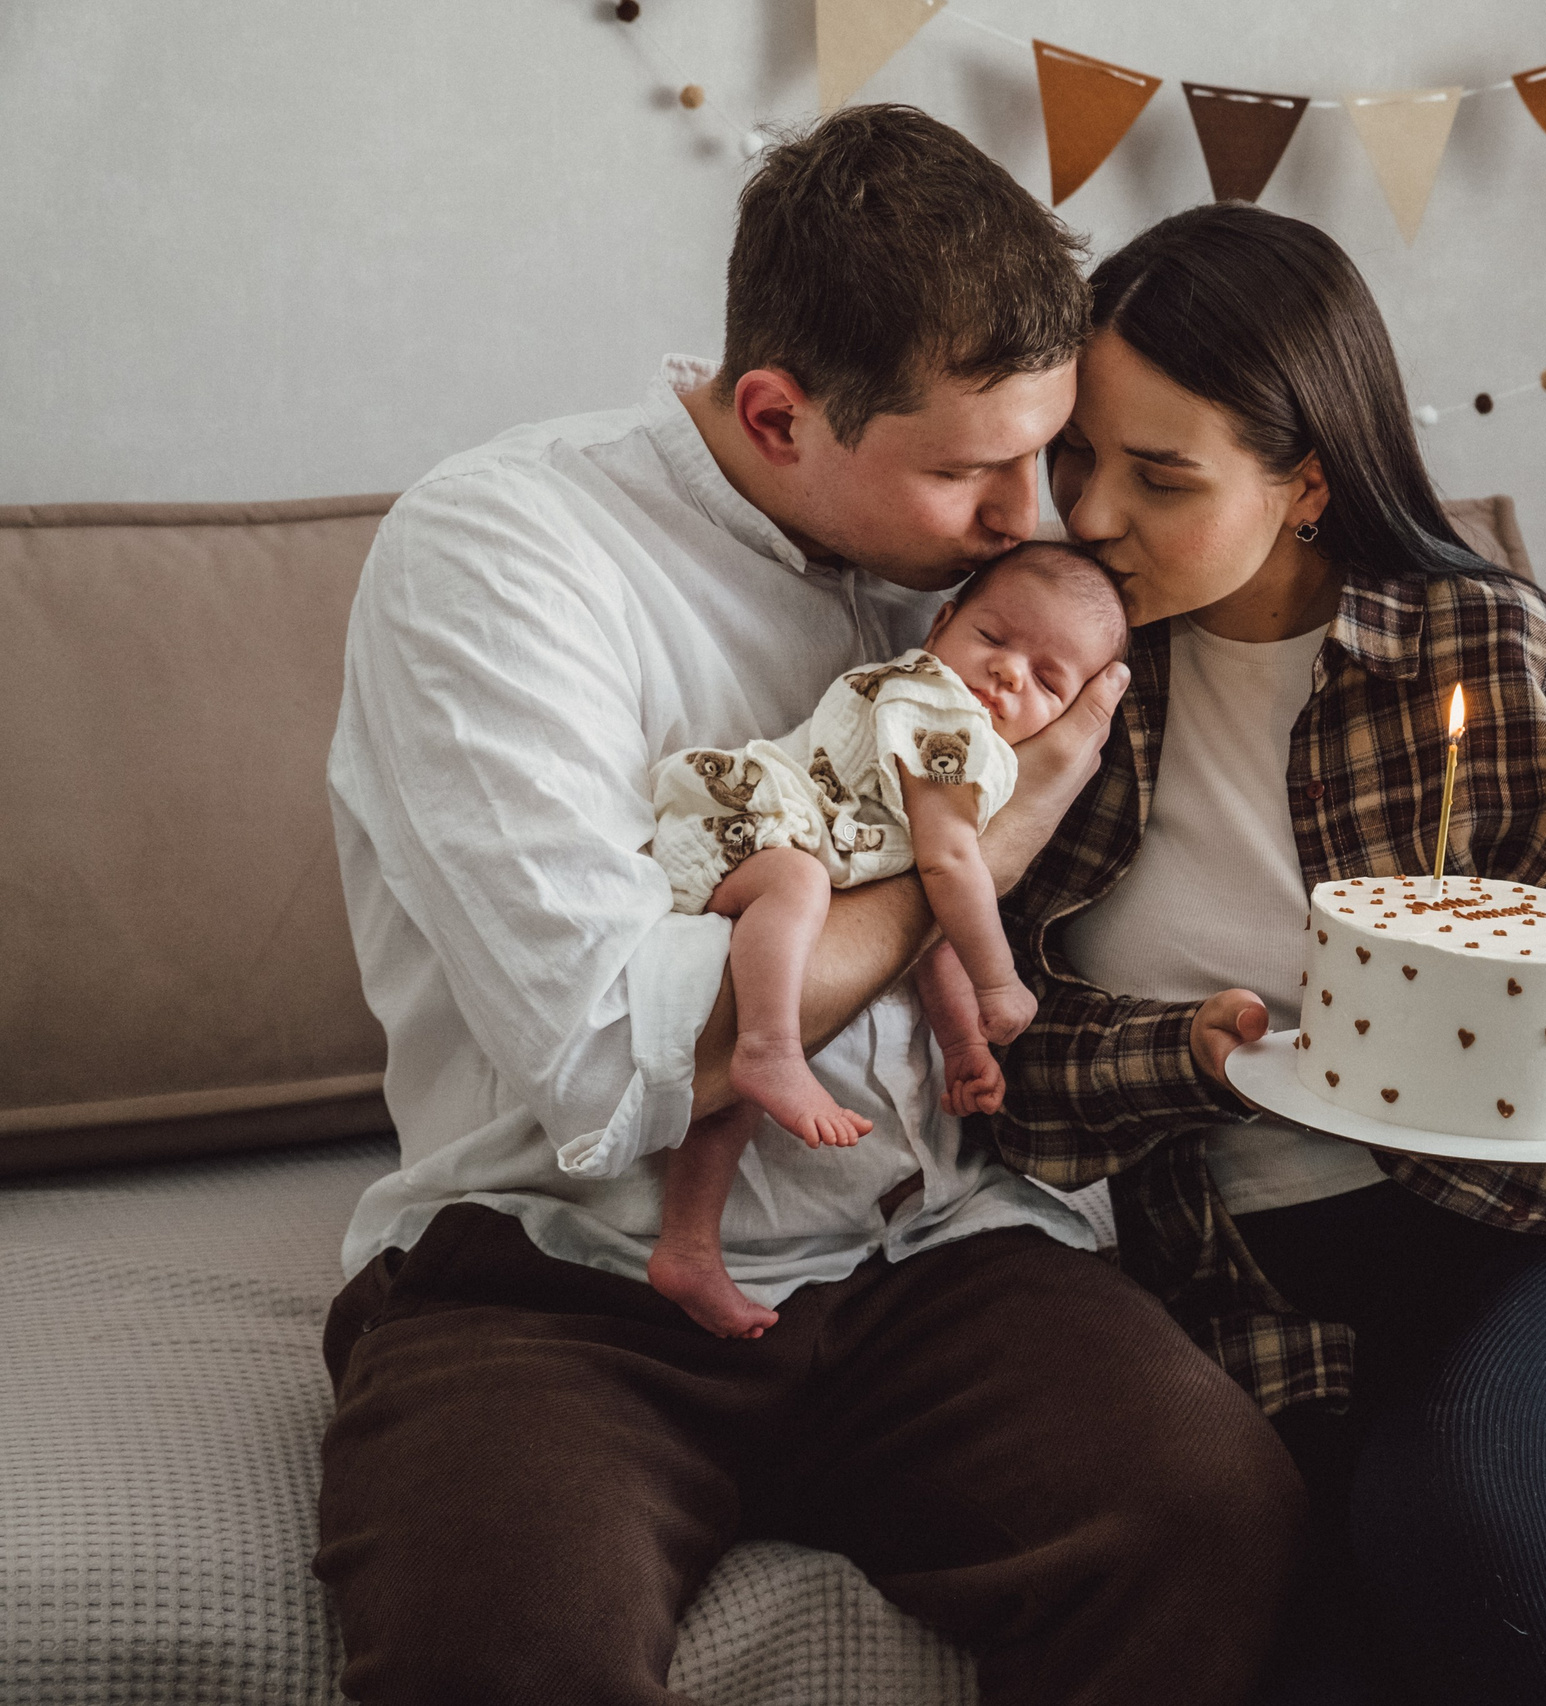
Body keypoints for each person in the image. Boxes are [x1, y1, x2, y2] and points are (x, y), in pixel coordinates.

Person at [315, 111, 1300, 1706]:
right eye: (975, 470)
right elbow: (615, 1054)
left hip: (928, 1251)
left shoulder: (1001, 579)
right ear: (776, 413)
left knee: (1213, 1510)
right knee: (492, 1646)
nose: (1030, 515)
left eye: (1042, 450)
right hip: (570, 1279)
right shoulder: (503, 553)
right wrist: (975, 846)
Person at [992, 202, 1546, 1706]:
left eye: (1160, 474)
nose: (1093, 510)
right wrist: (1190, 1057)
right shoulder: (1049, 679)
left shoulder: (1490, 651)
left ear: (1307, 481)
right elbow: (1000, 1076)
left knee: (1466, 1506)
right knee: (1309, 1649)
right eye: (1076, 457)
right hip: (1252, 1282)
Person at [643, 541, 1129, 1338]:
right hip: (740, 820)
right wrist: (1001, 983)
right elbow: (950, 865)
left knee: (730, 1096)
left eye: (1047, 680)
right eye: (995, 638)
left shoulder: (962, 744)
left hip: (777, 860)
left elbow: (921, 932)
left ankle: (688, 1248)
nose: (1009, 675)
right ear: (941, 625)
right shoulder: (938, 709)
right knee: (796, 886)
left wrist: (964, 1041)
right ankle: (769, 1046)